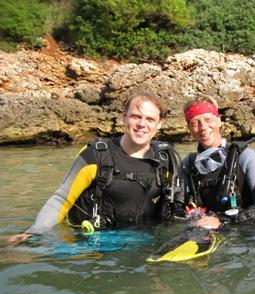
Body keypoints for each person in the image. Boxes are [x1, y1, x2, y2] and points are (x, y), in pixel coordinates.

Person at [8, 91, 183, 245]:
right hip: (90, 244)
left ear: (159, 124)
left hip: (141, 243)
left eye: (150, 119)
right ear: (124, 117)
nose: (142, 124)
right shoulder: (96, 155)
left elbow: (179, 206)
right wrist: (34, 232)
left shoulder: (166, 161)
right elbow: (61, 199)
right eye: (136, 116)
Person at [180, 94, 255, 230]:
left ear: (219, 121)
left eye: (208, 119)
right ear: (189, 129)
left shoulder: (245, 156)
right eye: (195, 123)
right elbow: (179, 208)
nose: (203, 127)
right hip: (204, 232)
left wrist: (223, 221)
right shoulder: (187, 165)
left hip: (245, 234)